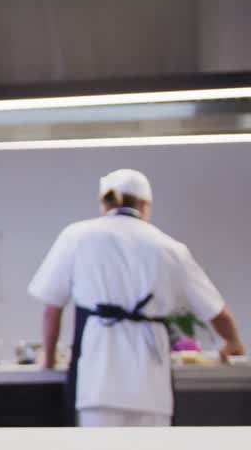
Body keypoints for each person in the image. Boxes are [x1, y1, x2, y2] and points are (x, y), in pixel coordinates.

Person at [28, 168, 244, 427]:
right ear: (144, 205)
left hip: (97, 383)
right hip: (151, 388)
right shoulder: (169, 248)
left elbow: (52, 309)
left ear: (104, 202)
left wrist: (49, 358)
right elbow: (218, 312)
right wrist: (233, 344)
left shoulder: (76, 236)